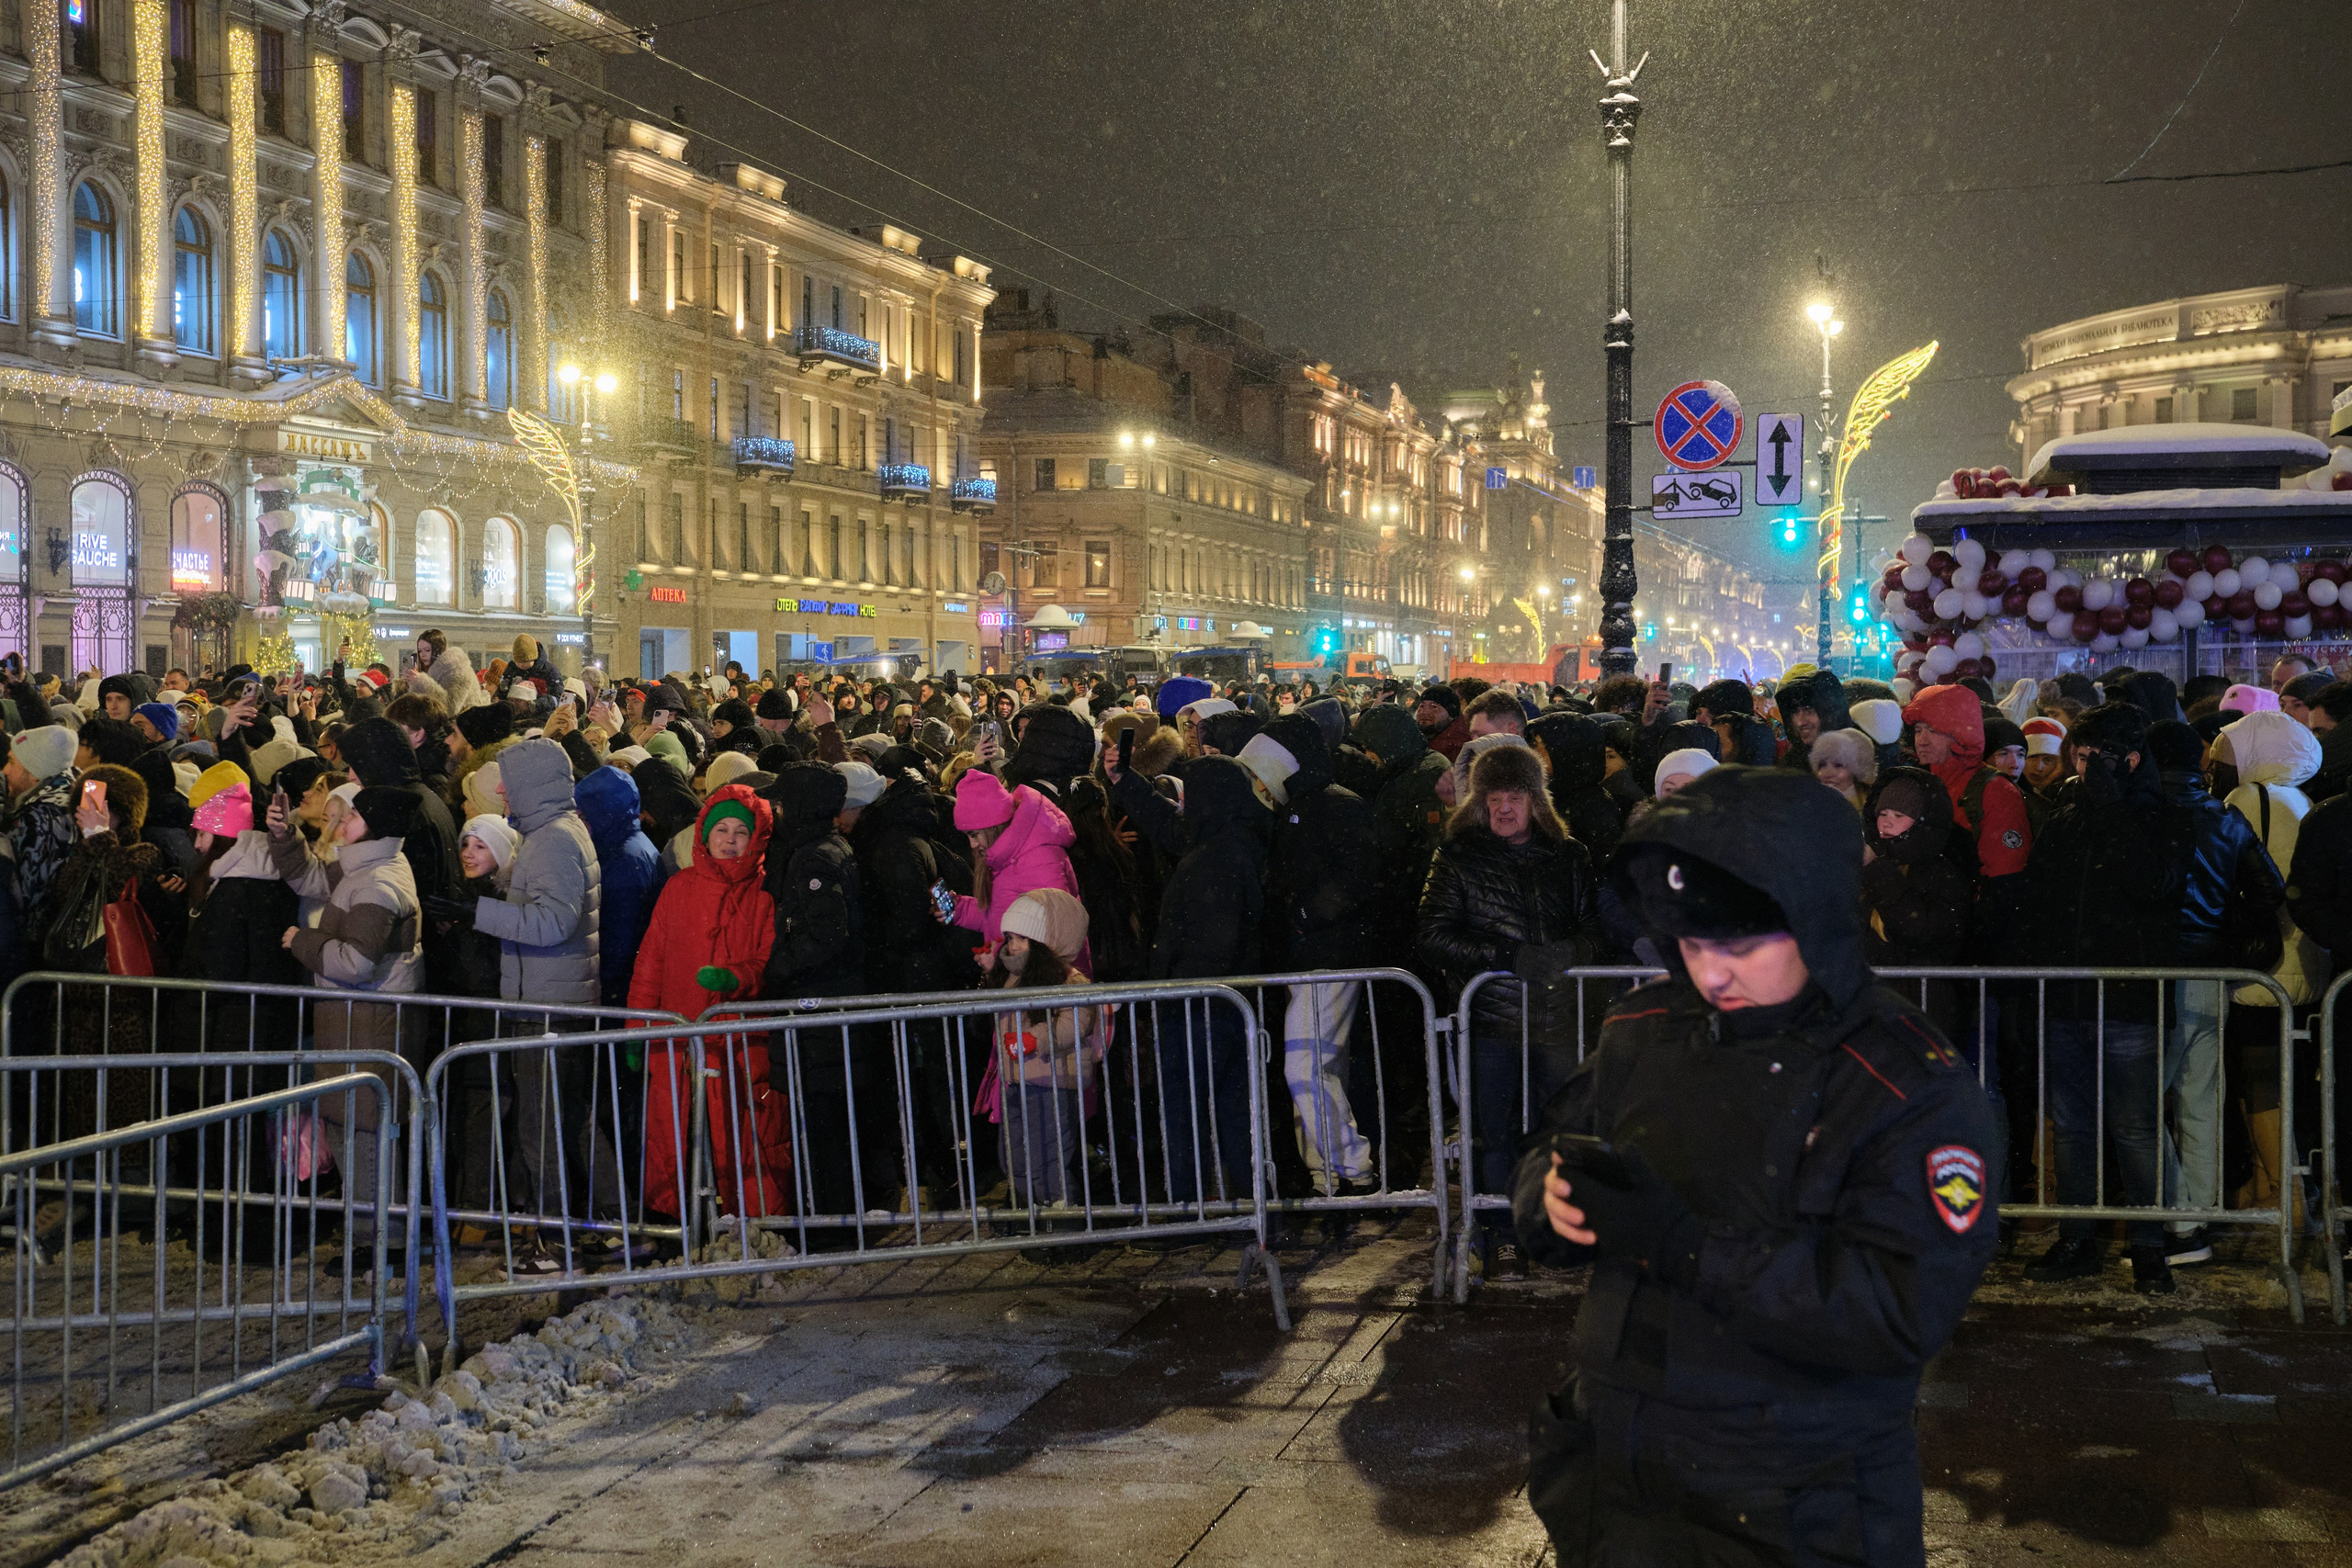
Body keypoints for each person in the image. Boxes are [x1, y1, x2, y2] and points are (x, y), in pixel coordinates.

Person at [1511, 767, 1996, 1566]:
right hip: (1619, 1479)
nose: (1711, 972)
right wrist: (1548, 1198)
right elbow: (1551, 1144)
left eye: (1739, 945)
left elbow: (1899, 1307)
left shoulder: (1905, 1080)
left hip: (1798, 1498)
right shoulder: (1643, 1023)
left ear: (1815, 921)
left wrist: (1687, 1245)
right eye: (1694, 944)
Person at [2018, 702, 2188, 1294]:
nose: (2082, 767)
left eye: (2096, 757)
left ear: (2130, 760)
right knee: (2073, 1126)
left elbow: (2152, 884)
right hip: (2067, 998)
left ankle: (2149, 1244)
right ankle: (2077, 1238)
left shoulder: (2159, 817)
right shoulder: (2067, 818)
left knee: (2136, 1127)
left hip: (2130, 999)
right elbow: (2040, 900)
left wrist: (2112, 806)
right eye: (2079, 755)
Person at [1418, 744, 1600, 1280]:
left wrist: (1572, 953)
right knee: (1492, 1133)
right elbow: (1432, 934)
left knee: (1560, 1132)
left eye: (1514, 798)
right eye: (1493, 798)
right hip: (1492, 1024)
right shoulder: (1457, 856)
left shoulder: (1568, 854)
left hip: (1559, 1022)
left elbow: (1595, 929)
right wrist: (1503, 957)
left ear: (1535, 801)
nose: (1503, 809)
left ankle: (1552, 1232)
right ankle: (1497, 1230)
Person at [429, 736, 616, 1256]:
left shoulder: (554, 839)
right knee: (570, 1120)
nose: (504, 798)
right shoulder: (558, 831)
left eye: (509, 788)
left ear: (532, 788)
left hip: (547, 1006)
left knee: (543, 1127)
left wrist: (476, 915)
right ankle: (609, 1219)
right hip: (556, 999)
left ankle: (557, 1235)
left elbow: (553, 922)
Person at [267, 784, 424, 1259]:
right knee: (354, 1128)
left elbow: (356, 962)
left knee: (367, 1133)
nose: (336, 827)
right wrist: (283, 835)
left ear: (368, 825)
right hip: (355, 1017)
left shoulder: (377, 882)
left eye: (347, 818)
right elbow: (310, 878)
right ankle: (368, 1238)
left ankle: (382, 1244)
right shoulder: (363, 867)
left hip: (369, 1018)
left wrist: (303, 941)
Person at [1236, 717, 1380, 1193]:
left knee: (1306, 1065)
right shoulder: (1297, 806)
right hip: (1309, 954)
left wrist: (1303, 914)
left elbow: (1356, 878)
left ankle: (1351, 1167)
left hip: (1329, 955)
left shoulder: (1334, 807)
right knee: (1316, 1067)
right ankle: (1327, 1171)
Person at [629, 784, 785, 1219]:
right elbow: (650, 964)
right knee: (676, 1130)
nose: (730, 839)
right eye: (722, 829)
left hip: (738, 1039)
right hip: (676, 1040)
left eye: (740, 831)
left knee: (739, 1130)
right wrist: (635, 1031)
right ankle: (677, 1218)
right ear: (704, 833)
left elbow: (768, 959)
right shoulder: (678, 888)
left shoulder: (765, 893)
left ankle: (751, 1220)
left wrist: (736, 977)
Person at [2211, 709, 2329, 1228]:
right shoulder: (2300, 800)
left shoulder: (2250, 800)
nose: (2215, 764)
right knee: (2285, 1082)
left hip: (2265, 971)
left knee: (2260, 1081)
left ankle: (2286, 1200)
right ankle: (2276, 1191)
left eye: (2225, 754)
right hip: (2301, 967)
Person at [1146, 755, 1268, 1206]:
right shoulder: (1238, 842)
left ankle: (1191, 1207)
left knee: (1188, 1110)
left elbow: (1209, 941)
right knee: (1233, 1112)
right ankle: (1246, 1207)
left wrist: (1169, 981)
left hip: (1198, 1003)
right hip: (1225, 1002)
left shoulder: (1214, 857)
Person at [988, 888, 1104, 1213]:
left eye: (1022, 939)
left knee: (1047, 1153)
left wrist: (1035, 1038)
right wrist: (989, 968)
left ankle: (1061, 1213)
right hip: (1018, 1080)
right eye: (1009, 938)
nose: (1012, 947)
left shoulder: (1070, 982)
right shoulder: (1016, 977)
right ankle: (1033, 1213)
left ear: (1046, 940)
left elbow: (1076, 1021)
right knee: (1016, 1153)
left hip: (1050, 1080)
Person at [1808, 727, 1877, 811]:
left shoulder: (1873, 807)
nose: (1827, 773)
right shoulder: (1810, 804)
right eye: (1822, 765)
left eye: (1838, 765)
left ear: (1858, 768)